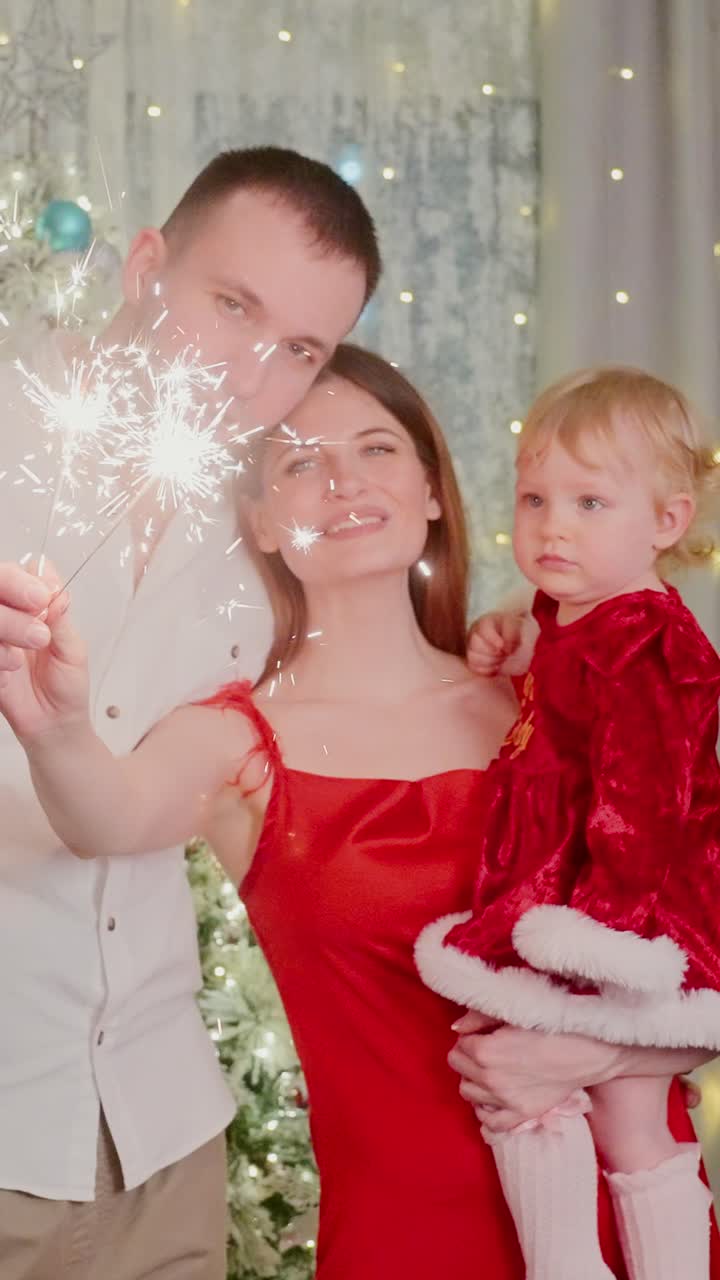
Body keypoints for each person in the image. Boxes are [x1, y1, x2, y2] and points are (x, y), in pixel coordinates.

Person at [1, 346, 715, 1280]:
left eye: (377, 448)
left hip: (638, 1225)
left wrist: (600, 1058)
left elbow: (695, 930)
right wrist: (54, 727)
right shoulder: (234, 740)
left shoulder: (554, 699)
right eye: (301, 462)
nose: (344, 482)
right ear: (259, 521)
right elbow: (105, 815)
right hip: (408, 1241)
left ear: (431, 488)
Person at [0, 146, 379, 1279]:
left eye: (300, 349)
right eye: (232, 306)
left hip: (163, 1136)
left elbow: (384, 677)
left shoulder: (267, 531)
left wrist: (527, 638)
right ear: (144, 267)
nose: (251, 373)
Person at [416, 366, 720, 1280]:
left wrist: (595, 939)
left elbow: (644, 804)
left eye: (590, 503)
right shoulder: (587, 615)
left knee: (530, 1079)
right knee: (627, 1116)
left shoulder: (648, 644)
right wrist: (517, 637)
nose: (553, 527)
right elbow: (567, 689)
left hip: (615, 907)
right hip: (592, 896)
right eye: (535, 499)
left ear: (666, 522)